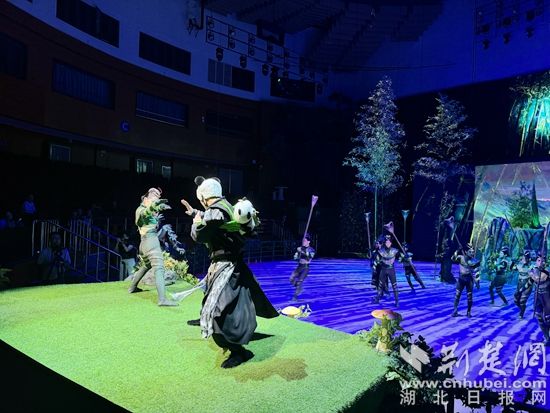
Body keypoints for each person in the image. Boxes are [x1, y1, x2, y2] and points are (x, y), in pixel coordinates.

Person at [180, 176, 278, 368]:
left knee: (220, 311)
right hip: (229, 265)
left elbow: (200, 234)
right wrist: (196, 213)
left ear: (203, 197)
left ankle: (239, 351)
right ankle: (208, 320)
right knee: (219, 302)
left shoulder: (216, 211)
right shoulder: (226, 207)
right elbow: (216, 222)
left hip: (226, 267)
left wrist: (196, 222)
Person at [127, 188, 178, 306]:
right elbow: (145, 213)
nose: (155, 202)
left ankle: (132, 287)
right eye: (153, 200)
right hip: (150, 242)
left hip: (145, 243)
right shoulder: (141, 210)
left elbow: (150, 213)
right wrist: (155, 206)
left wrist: (159, 207)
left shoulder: (147, 210)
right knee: (159, 268)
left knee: (147, 265)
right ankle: (162, 299)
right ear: (145, 199)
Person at [517, 255, 550, 345]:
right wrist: (521, 290)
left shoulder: (548, 272)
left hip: (547, 296)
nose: (541, 262)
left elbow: (545, 276)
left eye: (542, 261)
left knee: (548, 319)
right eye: (539, 260)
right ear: (536, 262)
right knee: (539, 316)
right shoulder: (533, 271)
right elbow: (530, 282)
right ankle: (547, 338)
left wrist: (544, 271)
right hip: (538, 296)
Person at [451, 243, 480, 317]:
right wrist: (457, 250)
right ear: (466, 252)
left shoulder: (475, 261)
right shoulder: (461, 258)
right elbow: (453, 258)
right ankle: (455, 310)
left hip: (469, 280)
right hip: (461, 279)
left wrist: (477, 282)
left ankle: (468, 312)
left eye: (473, 252)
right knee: (457, 295)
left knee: (469, 297)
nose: (472, 253)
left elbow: (477, 271)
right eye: (470, 252)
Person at [372, 235, 400, 307]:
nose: (388, 243)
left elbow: (400, 258)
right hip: (383, 270)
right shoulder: (381, 251)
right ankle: (377, 299)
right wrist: (374, 267)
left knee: (394, 286)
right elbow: (377, 260)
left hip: (391, 270)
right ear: (384, 243)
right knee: (380, 285)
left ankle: (397, 301)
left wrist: (405, 257)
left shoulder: (395, 251)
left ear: (391, 243)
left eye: (389, 242)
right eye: (386, 242)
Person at [289, 234, 316, 300]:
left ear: (308, 241)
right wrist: (296, 256)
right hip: (299, 267)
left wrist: (302, 252)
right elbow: (295, 258)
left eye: (305, 240)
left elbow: (309, 259)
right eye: (303, 240)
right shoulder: (299, 248)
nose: (303, 242)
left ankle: (295, 296)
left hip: (305, 268)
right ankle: (299, 288)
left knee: (299, 282)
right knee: (291, 278)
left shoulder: (311, 250)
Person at [513, 250, 534, 318]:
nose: (523, 259)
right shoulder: (519, 264)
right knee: (516, 299)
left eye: (525, 257)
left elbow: (532, 280)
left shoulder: (531, 266)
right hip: (520, 284)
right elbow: (513, 269)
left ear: (529, 258)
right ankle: (522, 308)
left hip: (527, 285)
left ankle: (521, 314)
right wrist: (513, 263)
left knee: (522, 301)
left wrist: (524, 287)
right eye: (523, 257)